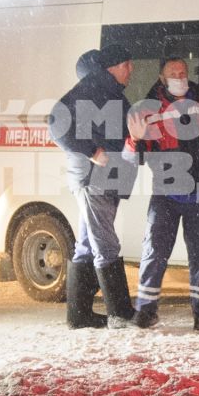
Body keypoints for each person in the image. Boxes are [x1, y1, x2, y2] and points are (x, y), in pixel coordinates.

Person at [49, 44, 138, 328]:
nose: (130, 70)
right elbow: (56, 122)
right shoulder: (92, 89)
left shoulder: (108, 91)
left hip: (104, 178)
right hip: (92, 179)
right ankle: (120, 313)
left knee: (88, 244)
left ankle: (79, 314)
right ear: (111, 67)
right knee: (105, 243)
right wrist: (92, 151)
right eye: (126, 64)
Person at [125, 57, 199, 331]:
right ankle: (145, 311)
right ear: (162, 78)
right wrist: (135, 140)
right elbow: (131, 158)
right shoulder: (148, 109)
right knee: (154, 252)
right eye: (173, 73)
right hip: (165, 193)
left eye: (183, 72)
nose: (179, 76)